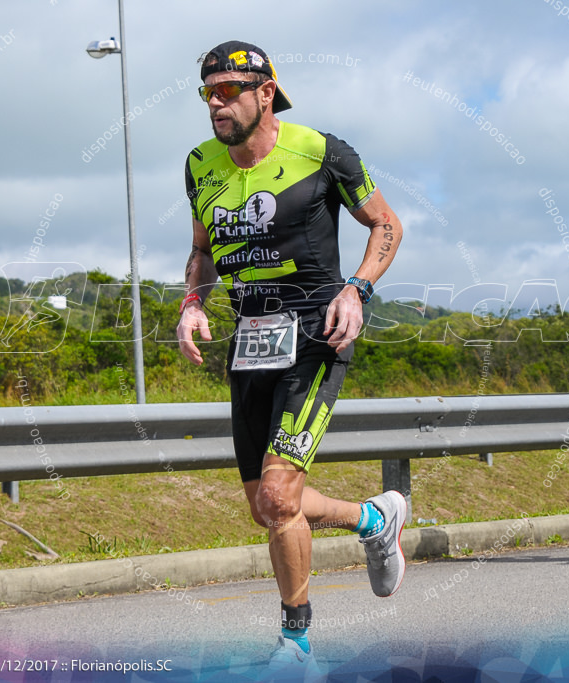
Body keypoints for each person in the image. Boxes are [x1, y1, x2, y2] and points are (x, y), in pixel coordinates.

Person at [176, 41, 407, 671]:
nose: (216, 104)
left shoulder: (324, 151)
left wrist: (356, 290)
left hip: (317, 335)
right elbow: (200, 248)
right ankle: (372, 519)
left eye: (228, 91)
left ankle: (296, 644)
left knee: (280, 497)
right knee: (266, 507)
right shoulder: (200, 164)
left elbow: (386, 224)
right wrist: (193, 301)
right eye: (208, 93)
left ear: (266, 93)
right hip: (251, 339)